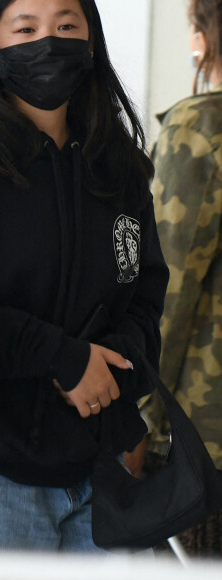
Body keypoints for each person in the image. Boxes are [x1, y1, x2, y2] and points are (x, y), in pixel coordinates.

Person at [0, 0, 169, 552]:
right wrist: (64, 359)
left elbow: (146, 290)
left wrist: (115, 367)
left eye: (66, 26)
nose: (49, 41)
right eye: (26, 28)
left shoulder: (118, 165)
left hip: (100, 470)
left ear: (91, 43)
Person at [142, 0, 222, 557]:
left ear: (201, 38)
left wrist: (140, 424)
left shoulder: (198, 129)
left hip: (206, 437)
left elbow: (166, 294)